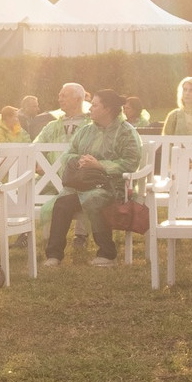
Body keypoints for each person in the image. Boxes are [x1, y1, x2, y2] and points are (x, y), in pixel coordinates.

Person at [45, 88, 141, 267]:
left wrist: (99, 165)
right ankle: (54, 255)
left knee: (93, 198)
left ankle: (107, 253)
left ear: (107, 109)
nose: (90, 109)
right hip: (82, 183)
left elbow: (130, 162)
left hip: (113, 188)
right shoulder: (85, 130)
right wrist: (80, 160)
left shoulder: (126, 132)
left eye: (95, 105)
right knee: (63, 201)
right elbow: (67, 154)